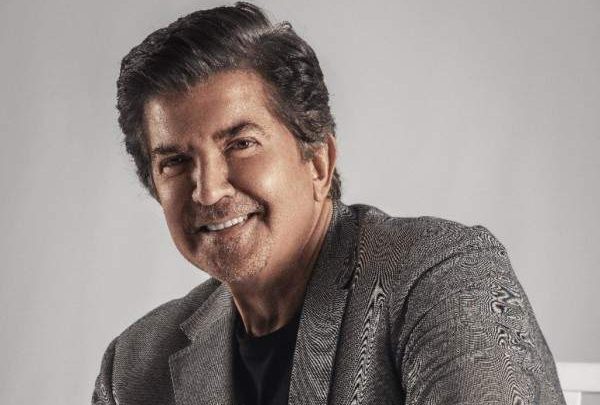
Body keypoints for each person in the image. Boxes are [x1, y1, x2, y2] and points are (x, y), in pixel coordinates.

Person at [92, 2, 565, 404]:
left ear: (318, 162)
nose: (209, 190)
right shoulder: (135, 365)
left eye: (241, 144)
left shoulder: (441, 276)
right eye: (175, 161)